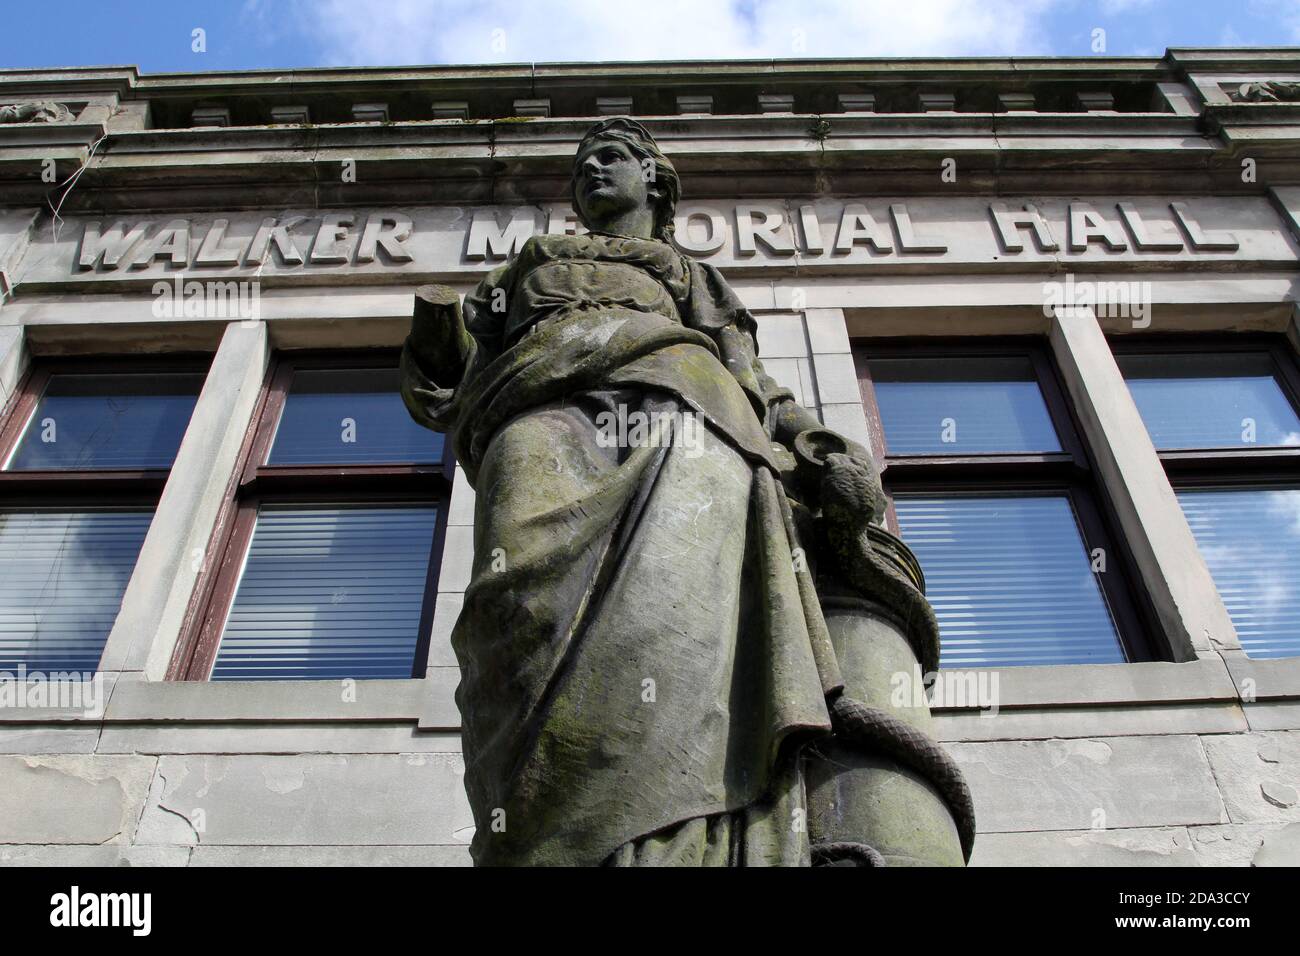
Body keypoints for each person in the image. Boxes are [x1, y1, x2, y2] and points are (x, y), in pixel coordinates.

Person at [401, 117, 878, 866]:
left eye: (611, 158)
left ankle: (675, 841)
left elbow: (754, 383)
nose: (591, 173)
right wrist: (435, 330)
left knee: (673, 628)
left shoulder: (690, 276)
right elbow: (453, 373)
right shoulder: (530, 262)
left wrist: (818, 445)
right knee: (515, 612)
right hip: (537, 416)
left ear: (654, 180)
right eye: (582, 165)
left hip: (685, 420)